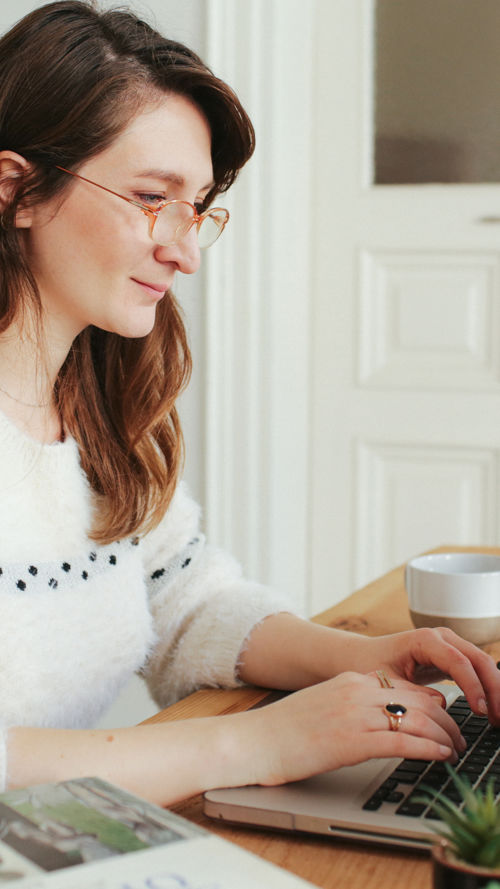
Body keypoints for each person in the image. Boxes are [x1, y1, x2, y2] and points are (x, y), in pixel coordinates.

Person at [0, 0, 499, 808]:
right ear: (16, 189)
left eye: (196, 206)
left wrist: (356, 656)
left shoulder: (96, 410)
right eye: (151, 197)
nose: (185, 249)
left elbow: (184, 596)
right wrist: (254, 741)